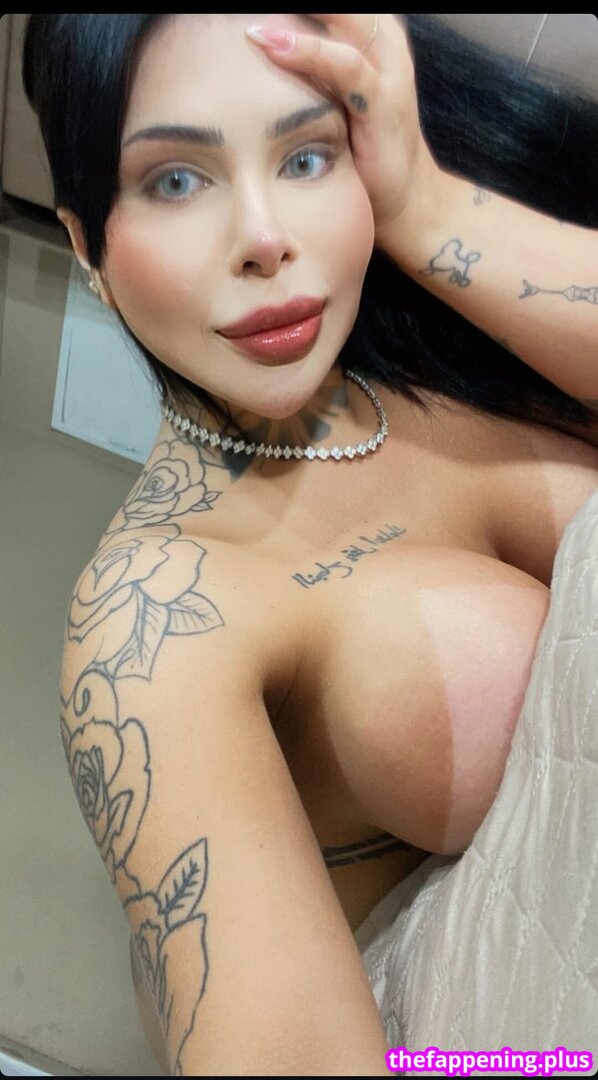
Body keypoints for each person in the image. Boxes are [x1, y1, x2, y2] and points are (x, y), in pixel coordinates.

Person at [22, 13, 598, 1076]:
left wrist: (424, 207)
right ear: (87, 244)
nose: (263, 234)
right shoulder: (154, 615)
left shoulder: (437, 346)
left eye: (305, 157)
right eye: (176, 180)